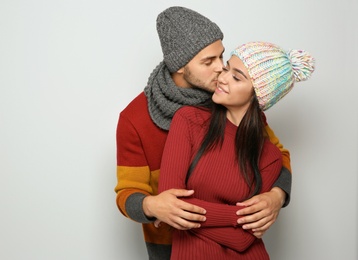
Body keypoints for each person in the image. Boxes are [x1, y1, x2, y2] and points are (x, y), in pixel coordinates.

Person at [115, 6, 292, 259]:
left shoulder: (228, 100)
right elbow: (126, 192)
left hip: (236, 246)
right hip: (169, 246)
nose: (220, 69)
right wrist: (150, 205)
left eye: (221, 56)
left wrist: (277, 196)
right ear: (180, 66)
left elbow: (276, 155)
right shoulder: (135, 119)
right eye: (209, 62)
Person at [158, 41, 315, 259]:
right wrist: (235, 217)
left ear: (257, 96)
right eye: (226, 68)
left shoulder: (269, 155)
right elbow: (172, 207)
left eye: (236, 77)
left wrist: (197, 213)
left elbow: (244, 239)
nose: (222, 78)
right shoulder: (188, 121)